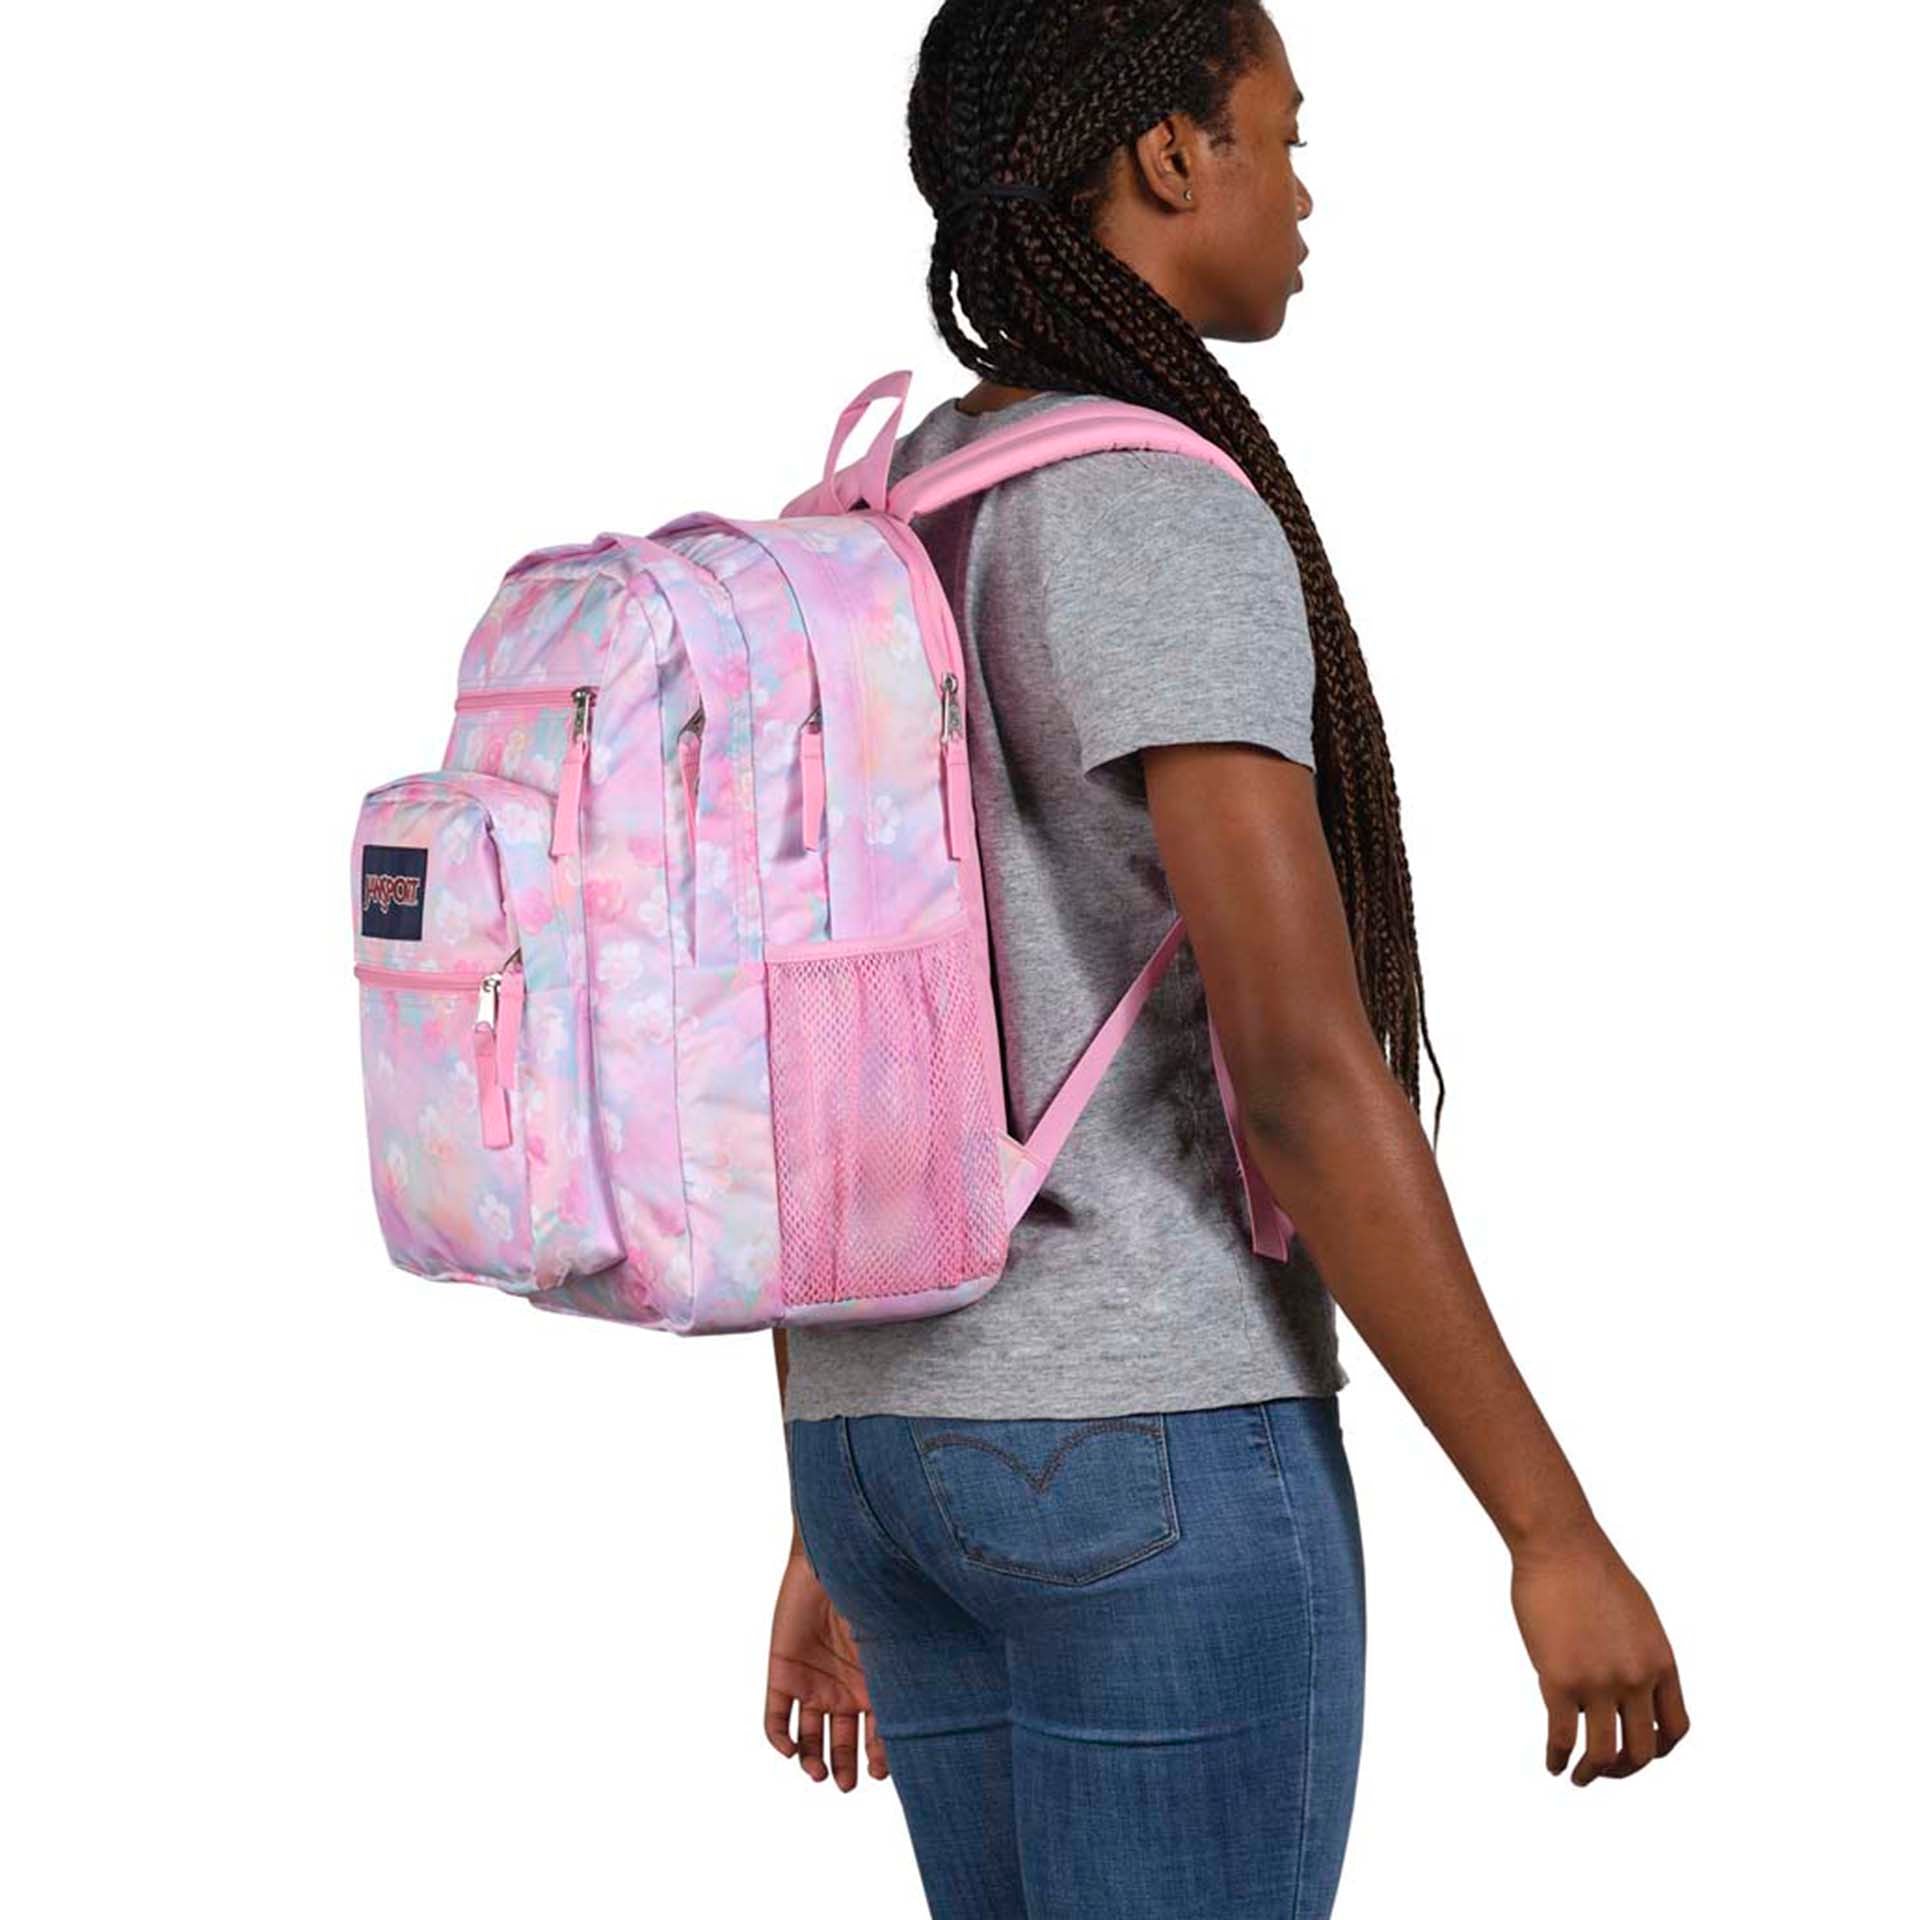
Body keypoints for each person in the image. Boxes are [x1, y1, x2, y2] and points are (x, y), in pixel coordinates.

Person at [763, 5, 1688, 1914]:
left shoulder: (887, 511)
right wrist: (1549, 1527)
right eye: (1283, 134)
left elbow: (847, 1037)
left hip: (880, 1447)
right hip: (1145, 1444)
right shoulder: (1156, 507)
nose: (1306, 193)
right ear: (1172, 155)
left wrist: (834, 1499)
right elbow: (1303, 1074)